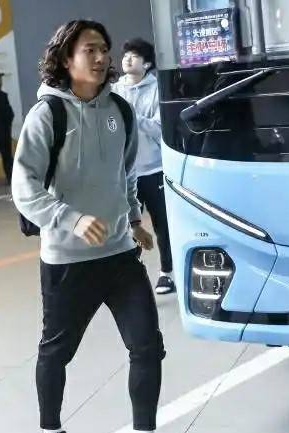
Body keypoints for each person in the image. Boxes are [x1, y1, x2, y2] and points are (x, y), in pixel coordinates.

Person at [11, 20, 188, 433]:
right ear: (65, 58)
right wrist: (68, 218)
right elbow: (23, 186)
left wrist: (133, 219)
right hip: (67, 260)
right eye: (88, 49)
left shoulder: (119, 110)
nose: (100, 57)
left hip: (119, 256)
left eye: (103, 49)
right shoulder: (47, 114)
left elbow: (124, 173)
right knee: (57, 352)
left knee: (147, 346)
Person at [113, 38, 175, 295]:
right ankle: (131, 277)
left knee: (163, 225)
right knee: (125, 228)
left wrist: (132, 116)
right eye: (125, 55)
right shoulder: (113, 91)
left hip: (154, 169)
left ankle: (167, 273)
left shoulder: (157, 89)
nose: (127, 59)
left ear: (147, 63)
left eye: (135, 56)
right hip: (124, 172)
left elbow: (160, 128)